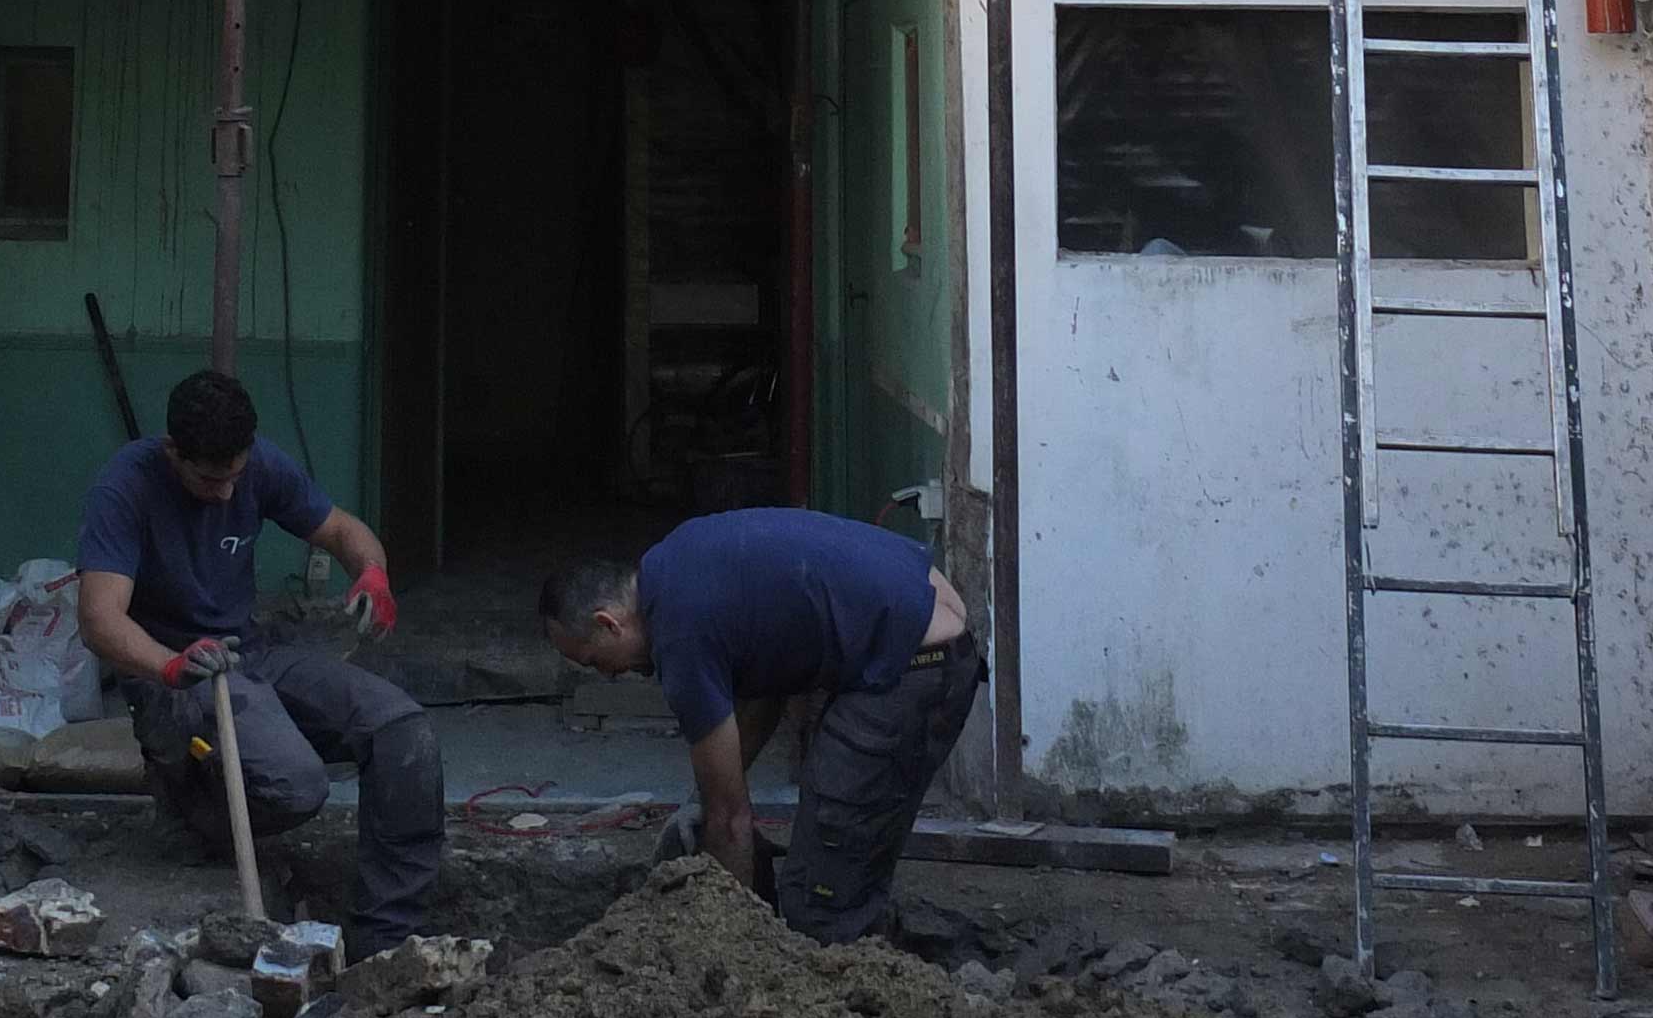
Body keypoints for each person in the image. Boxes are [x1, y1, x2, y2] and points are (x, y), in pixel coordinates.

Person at [76, 368, 442, 957]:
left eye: (235, 477)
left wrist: (371, 573)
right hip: (173, 672)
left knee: (402, 729)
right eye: (208, 479)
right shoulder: (124, 488)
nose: (225, 492)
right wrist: (171, 665)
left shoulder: (259, 466)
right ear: (174, 451)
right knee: (297, 787)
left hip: (250, 651)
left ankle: (387, 939)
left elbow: (343, 529)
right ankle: (190, 811)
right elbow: (100, 618)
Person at [540, 509, 980, 945]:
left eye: (596, 662)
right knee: (838, 830)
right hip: (920, 613)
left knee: (818, 902)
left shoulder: (680, 639)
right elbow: (765, 694)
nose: (608, 676)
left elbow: (730, 820)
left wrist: (730, 951)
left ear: (608, 623)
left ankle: (851, 968)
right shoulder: (672, 563)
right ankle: (861, 923)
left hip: (916, 663)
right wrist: (702, 800)